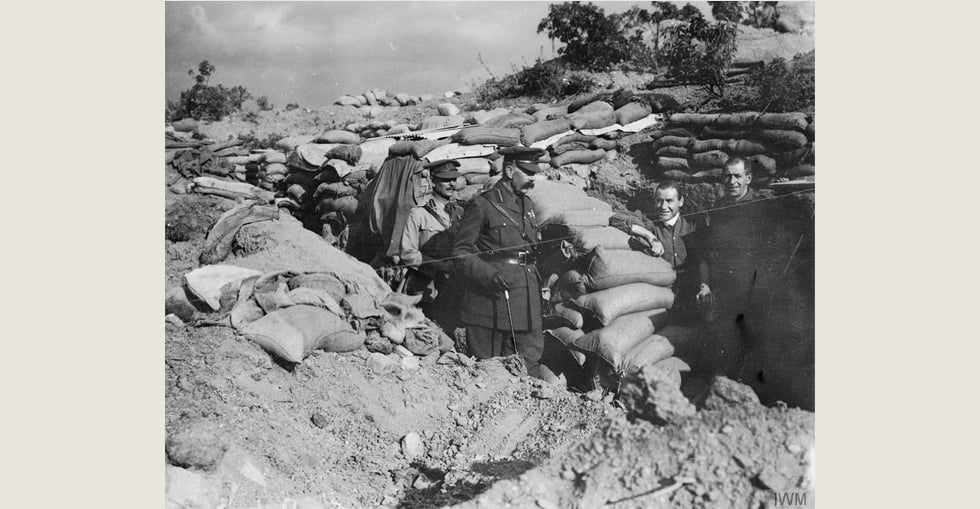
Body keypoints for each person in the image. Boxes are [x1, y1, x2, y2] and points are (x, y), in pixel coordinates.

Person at [452, 147, 547, 378]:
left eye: (535, 172)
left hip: (526, 299)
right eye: (527, 172)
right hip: (492, 299)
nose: (533, 178)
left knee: (529, 363)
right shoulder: (483, 205)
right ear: (509, 170)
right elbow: (460, 251)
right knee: (490, 369)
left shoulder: (529, 205)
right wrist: (487, 274)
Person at [611, 181, 705, 323]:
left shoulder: (692, 224)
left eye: (669, 201)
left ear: (681, 202)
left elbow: (703, 258)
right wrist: (650, 237)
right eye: (659, 201)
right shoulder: (651, 224)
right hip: (660, 295)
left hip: (690, 293)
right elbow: (616, 219)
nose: (663, 207)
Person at [399, 160, 466, 331]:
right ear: (433, 181)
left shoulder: (460, 213)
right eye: (445, 180)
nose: (451, 184)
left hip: (453, 285)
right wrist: (441, 266)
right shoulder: (419, 213)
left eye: (454, 179)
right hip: (426, 286)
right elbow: (407, 253)